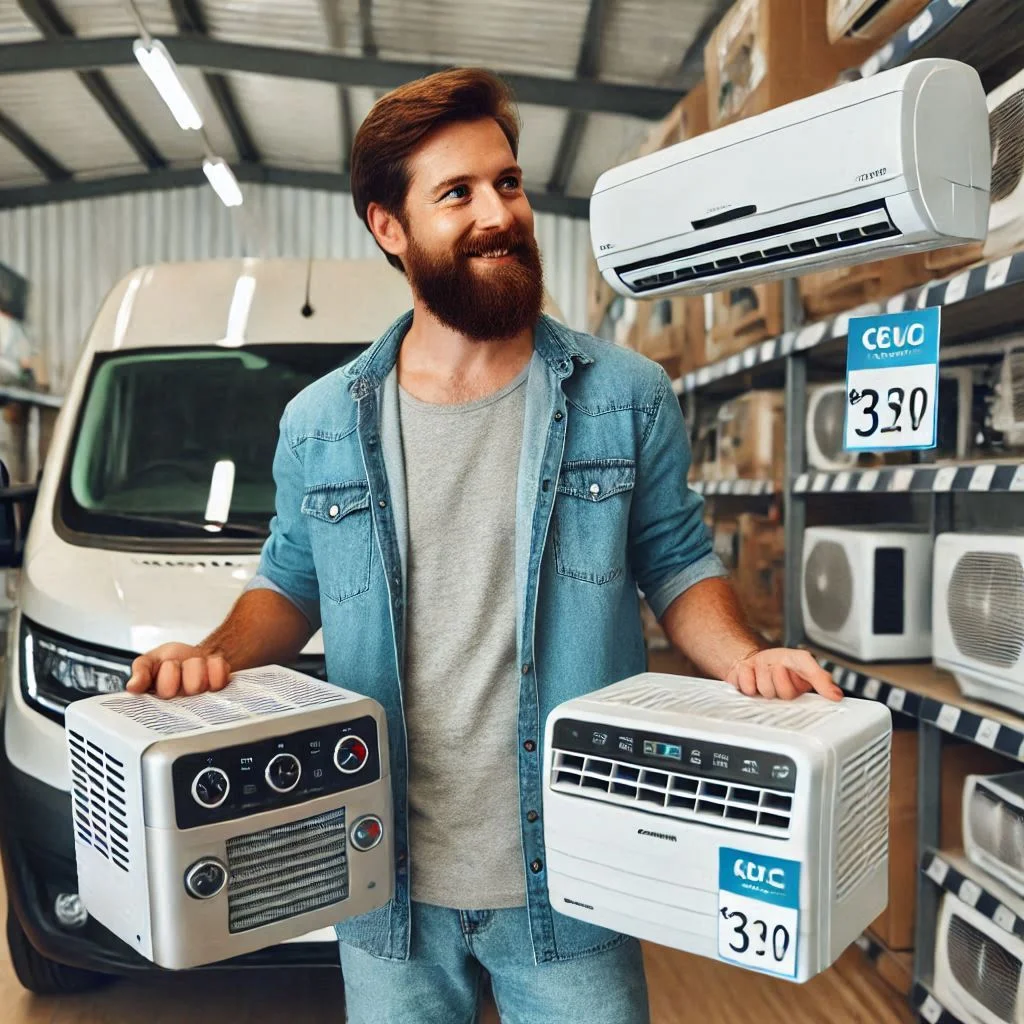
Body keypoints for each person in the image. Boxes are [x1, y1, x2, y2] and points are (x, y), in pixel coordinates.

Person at [127, 67, 842, 1024]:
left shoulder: (622, 397)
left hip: (573, 882)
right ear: (391, 227)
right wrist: (213, 655)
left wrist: (749, 663)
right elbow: (288, 583)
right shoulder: (321, 422)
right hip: (384, 886)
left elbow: (676, 562)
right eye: (455, 193)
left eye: (506, 183)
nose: (497, 213)